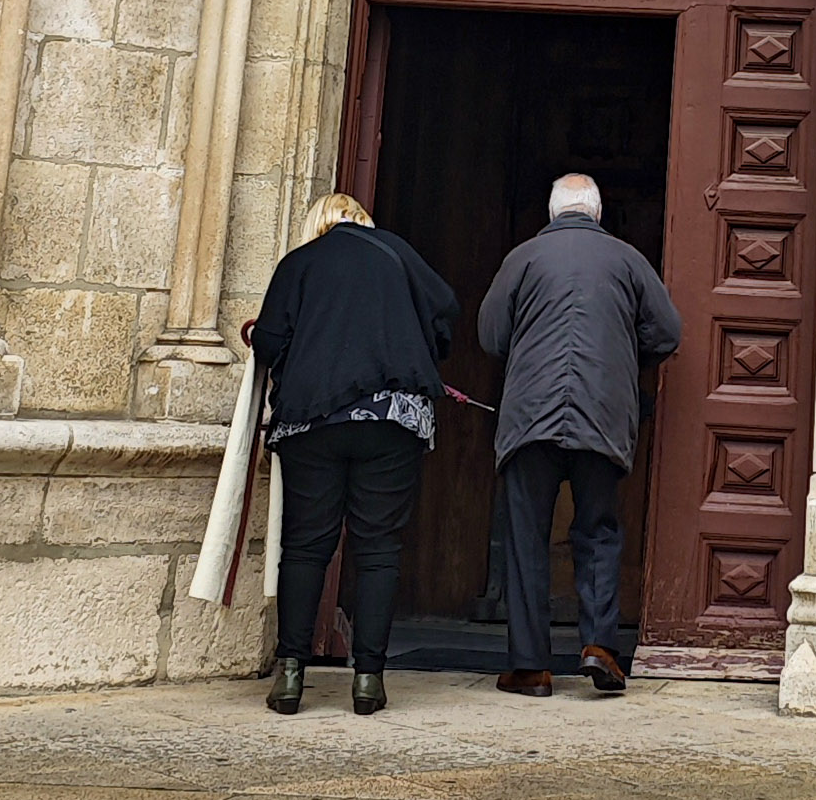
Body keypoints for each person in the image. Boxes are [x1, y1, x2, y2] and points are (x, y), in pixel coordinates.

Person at [248, 190, 456, 720]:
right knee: (379, 547)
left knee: (305, 545)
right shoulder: (399, 255)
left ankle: (291, 674)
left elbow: (269, 343)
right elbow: (444, 317)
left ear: (319, 224)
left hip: (313, 420)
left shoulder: (300, 262)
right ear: (365, 221)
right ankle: (369, 679)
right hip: (392, 418)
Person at [478, 174, 680, 694]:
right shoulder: (628, 259)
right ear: (596, 212)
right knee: (598, 531)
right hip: (603, 414)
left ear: (552, 213)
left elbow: (491, 335)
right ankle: (599, 648)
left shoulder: (521, 258)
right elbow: (667, 332)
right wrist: (626, 359)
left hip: (529, 418)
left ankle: (530, 666)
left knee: (526, 536)